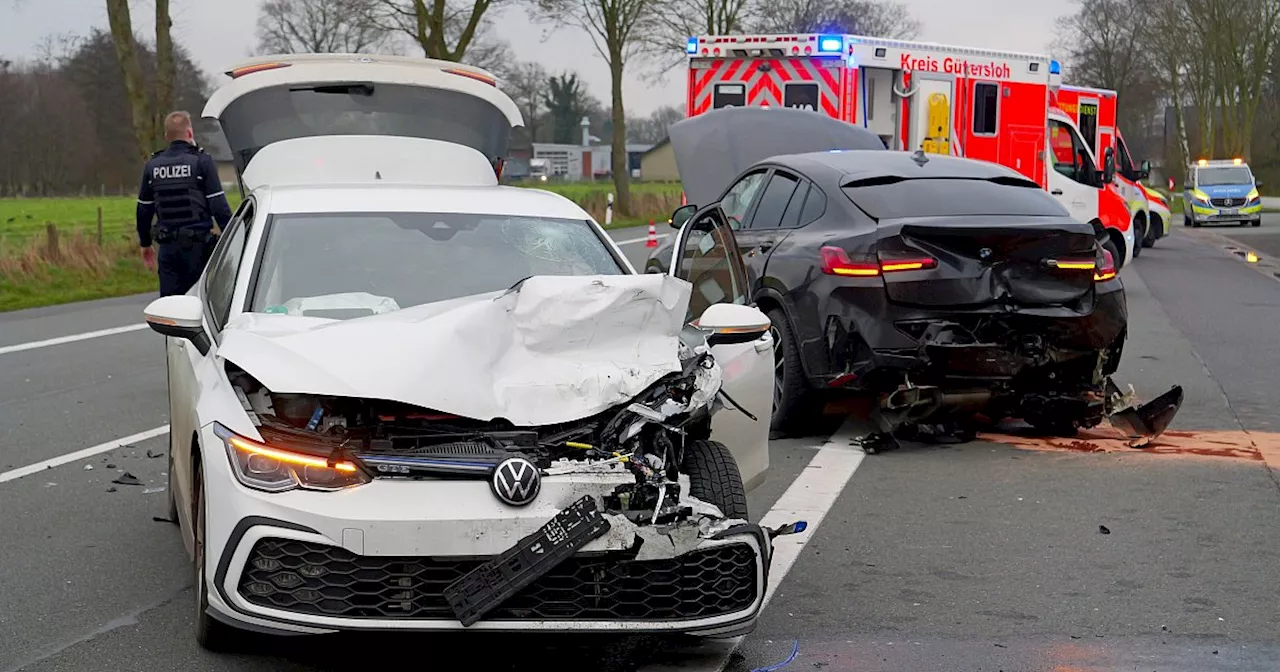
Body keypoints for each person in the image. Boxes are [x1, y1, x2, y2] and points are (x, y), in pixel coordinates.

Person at [136, 111, 233, 296]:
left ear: (166, 136)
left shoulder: (152, 166)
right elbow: (218, 207)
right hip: (197, 248)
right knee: (197, 305)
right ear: (190, 133)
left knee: (170, 308)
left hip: (167, 249)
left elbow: (143, 209)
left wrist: (145, 243)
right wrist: (234, 239)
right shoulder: (201, 161)